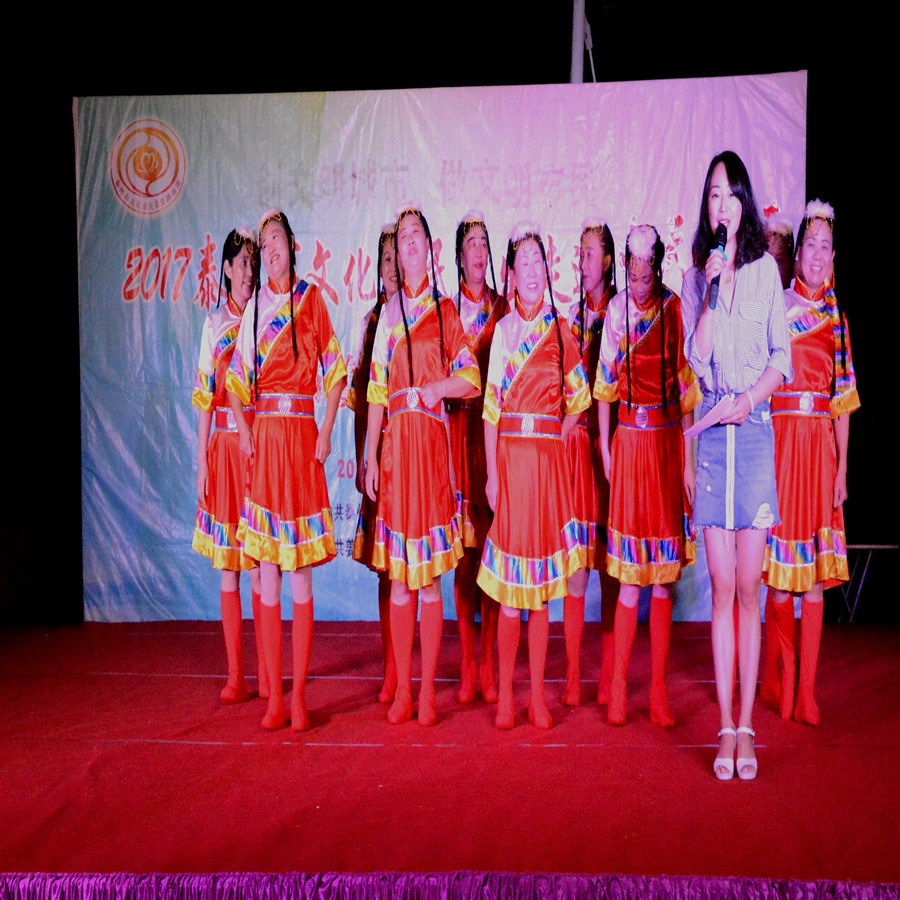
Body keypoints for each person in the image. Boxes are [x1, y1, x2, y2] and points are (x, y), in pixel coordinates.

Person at [681, 151, 791, 780]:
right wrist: (711, 293)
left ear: (744, 203)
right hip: (712, 441)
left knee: (750, 587)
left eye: (729, 194)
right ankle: (724, 727)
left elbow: (781, 359)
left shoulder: (767, 273)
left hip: (751, 436)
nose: (721, 204)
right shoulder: (699, 278)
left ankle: (748, 725)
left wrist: (748, 402)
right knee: (721, 588)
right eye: (713, 194)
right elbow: (698, 360)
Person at [226, 209, 347, 732]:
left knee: (300, 572)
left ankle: (298, 697)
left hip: (301, 443)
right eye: (264, 242)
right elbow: (234, 384)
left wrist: (327, 429)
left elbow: (336, 373)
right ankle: (274, 696)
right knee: (268, 571)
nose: (270, 248)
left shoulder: (311, 300)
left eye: (276, 238)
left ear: (292, 245)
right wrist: (244, 428)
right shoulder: (254, 310)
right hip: (267, 446)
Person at [364, 203, 481, 726]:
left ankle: (429, 691)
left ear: (429, 248)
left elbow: (472, 378)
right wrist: (370, 454)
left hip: (431, 451)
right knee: (400, 579)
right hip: (396, 454)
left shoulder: (445, 310)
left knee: (429, 578)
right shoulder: (388, 314)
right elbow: (375, 391)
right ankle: (404, 692)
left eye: (417, 233)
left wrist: (437, 388)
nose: (409, 240)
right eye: (402, 235)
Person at [477, 223, 590, 730]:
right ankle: (505, 695)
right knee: (509, 592)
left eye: (537, 260)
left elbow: (579, 400)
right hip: (510, 464)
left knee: (541, 591)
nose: (531, 269)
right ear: (511, 271)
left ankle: (538, 697)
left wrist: (555, 436)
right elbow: (490, 411)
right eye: (522, 261)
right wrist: (492, 476)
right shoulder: (502, 332)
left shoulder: (562, 330)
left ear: (547, 269)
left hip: (545, 468)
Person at [595, 224, 700, 726]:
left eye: (645, 276)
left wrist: (689, 462)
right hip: (629, 443)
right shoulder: (616, 312)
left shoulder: (674, 309)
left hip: (664, 444)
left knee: (662, 579)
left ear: (657, 268)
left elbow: (687, 393)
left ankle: (658, 689)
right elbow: (603, 386)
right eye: (632, 276)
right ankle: (617, 686)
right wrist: (604, 443)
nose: (638, 285)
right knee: (629, 579)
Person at [762, 200, 859, 725]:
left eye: (826, 247)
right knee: (780, 575)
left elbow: (842, 399)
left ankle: (806, 691)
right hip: (780, 445)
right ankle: (782, 675)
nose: (817, 255)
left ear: (833, 256)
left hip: (819, 449)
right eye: (811, 245)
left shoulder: (837, 319)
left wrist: (841, 469)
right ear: (797, 252)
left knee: (815, 577)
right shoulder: (776, 306)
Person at [192, 227, 264, 704]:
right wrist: (201, 461)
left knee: (259, 565)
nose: (249, 272)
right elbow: (204, 397)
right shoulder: (215, 324)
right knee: (230, 568)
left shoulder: (266, 319)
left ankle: (268, 671)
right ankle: (236, 675)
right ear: (226, 270)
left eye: (253, 263)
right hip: (223, 450)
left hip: (258, 448)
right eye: (242, 263)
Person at [446, 211, 507, 704]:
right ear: (459, 255)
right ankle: (467, 662)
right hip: (453, 437)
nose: (479, 251)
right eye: (471, 243)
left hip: (492, 441)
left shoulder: (504, 309)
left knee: (491, 552)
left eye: (484, 243)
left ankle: (488, 663)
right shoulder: (446, 311)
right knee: (463, 558)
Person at [564, 218, 621, 707]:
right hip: (578, 450)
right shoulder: (571, 318)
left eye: (589, 252)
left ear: (607, 260)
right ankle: (571, 674)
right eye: (579, 252)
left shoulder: (622, 313)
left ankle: (609, 675)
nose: (582, 261)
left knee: (611, 566)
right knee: (577, 563)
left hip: (616, 449)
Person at [348, 223, 398, 704]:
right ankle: (391, 666)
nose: (393, 267)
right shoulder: (371, 322)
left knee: (418, 568)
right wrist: (366, 461)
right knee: (386, 567)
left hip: (416, 456)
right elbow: (361, 405)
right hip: (381, 459)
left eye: (398, 256)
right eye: (385, 259)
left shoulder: (427, 316)